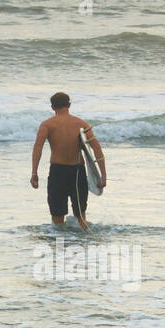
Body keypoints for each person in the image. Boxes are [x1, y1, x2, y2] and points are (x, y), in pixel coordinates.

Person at [30, 92, 105, 230]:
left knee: (57, 220)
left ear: (52, 107)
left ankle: (59, 247)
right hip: (77, 172)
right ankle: (81, 245)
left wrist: (34, 172)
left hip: (57, 172)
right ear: (69, 105)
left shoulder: (47, 125)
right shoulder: (81, 124)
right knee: (81, 217)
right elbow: (97, 149)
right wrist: (102, 176)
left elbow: (38, 147)